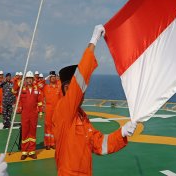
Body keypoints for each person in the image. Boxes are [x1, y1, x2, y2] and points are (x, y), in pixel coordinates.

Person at [52, 25, 137, 176]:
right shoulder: (63, 110)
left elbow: (99, 144)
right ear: (67, 88)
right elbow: (80, 81)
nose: (83, 94)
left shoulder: (81, 117)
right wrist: (94, 41)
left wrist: (122, 133)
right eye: (80, 90)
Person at [20, 71, 43, 160]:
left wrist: (40, 112)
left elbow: (40, 101)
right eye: (28, 78)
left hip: (34, 114)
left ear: (33, 79)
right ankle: (24, 152)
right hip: (25, 114)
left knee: (32, 132)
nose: (29, 80)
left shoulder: (37, 90)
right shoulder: (22, 90)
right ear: (25, 80)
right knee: (25, 133)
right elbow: (14, 92)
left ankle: (32, 151)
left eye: (30, 78)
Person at [42, 70, 62, 150]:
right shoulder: (46, 87)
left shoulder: (59, 87)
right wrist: (45, 78)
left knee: (55, 126)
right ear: (49, 78)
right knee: (48, 126)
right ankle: (47, 144)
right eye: (51, 77)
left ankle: (53, 143)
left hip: (56, 109)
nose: (53, 78)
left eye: (54, 77)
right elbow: (38, 84)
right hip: (49, 109)